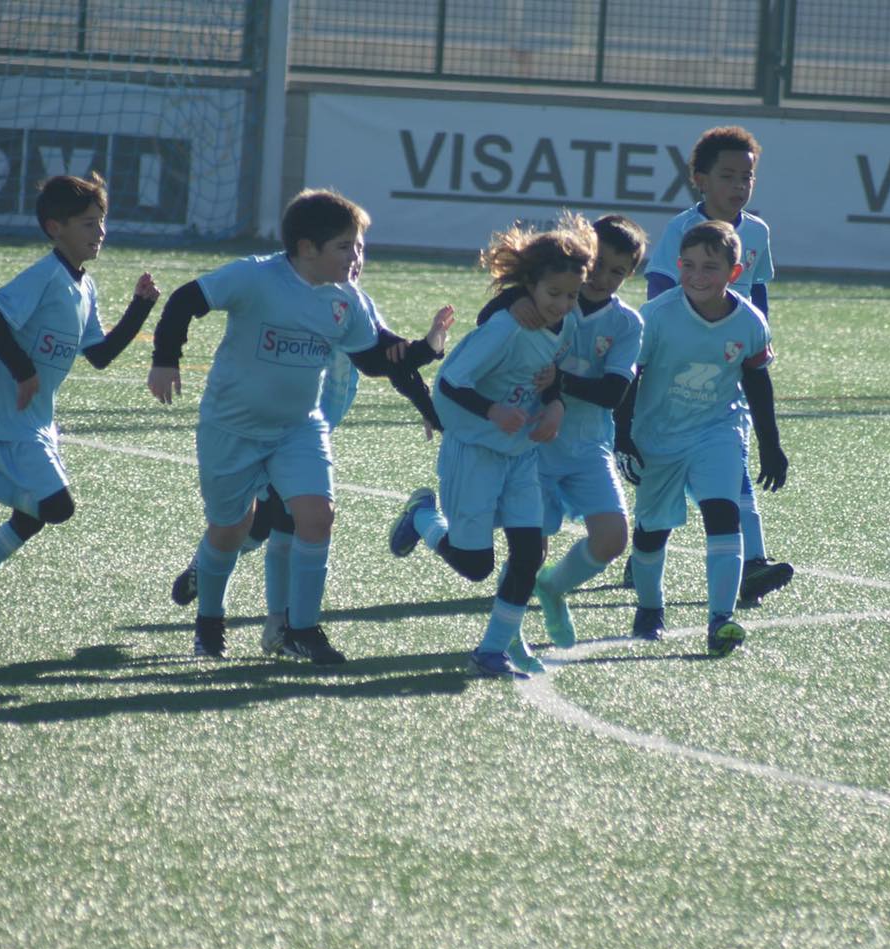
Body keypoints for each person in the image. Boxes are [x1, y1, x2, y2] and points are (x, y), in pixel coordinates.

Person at [148, 188, 450, 664]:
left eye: (357, 246)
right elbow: (187, 299)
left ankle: (301, 630)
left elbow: (373, 358)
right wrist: (165, 360)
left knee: (317, 516)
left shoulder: (345, 301)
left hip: (299, 428)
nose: (355, 258)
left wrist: (428, 348)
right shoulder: (255, 277)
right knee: (231, 530)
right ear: (307, 248)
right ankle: (209, 623)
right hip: (232, 427)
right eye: (345, 247)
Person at [0, 173, 157, 622]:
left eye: (101, 221)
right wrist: (23, 371)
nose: (99, 232)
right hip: (9, 417)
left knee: (29, 520)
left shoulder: (83, 286)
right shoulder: (45, 275)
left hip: (38, 420)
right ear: (55, 228)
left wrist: (140, 307)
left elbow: (100, 355)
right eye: (88, 223)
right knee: (57, 507)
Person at [388, 213, 594, 679]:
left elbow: (548, 376)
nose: (563, 304)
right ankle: (423, 516)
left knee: (529, 552)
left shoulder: (565, 324)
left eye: (572, 295)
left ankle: (491, 651)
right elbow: (449, 385)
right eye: (553, 294)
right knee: (475, 565)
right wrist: (493, 412)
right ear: (529, 286)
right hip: (475, 451)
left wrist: (555, 403)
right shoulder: (505, 326)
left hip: (520, 455)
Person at [472, 215, 647, 673]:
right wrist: (511, 306)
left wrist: (560, 382)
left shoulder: (627, 324)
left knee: (612, 538)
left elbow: (613, 393)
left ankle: (553, 588)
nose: (605, 279)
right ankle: (508, 638)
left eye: (618, 272)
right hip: (533, 443)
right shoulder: (549, 302)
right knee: (527, 550)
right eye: (600, 267)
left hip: (589, 445)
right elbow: (487, 324)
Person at [615, 220, 788, 656]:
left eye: (710, 267)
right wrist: (622, 436)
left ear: (733, 273)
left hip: (719, 430)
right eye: (688, 265)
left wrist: (771, 444)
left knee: (722, 515)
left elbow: (757, 382)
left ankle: (720, 618)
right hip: (658, 434)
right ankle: (651, 607)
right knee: (652, 532)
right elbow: (628, 378)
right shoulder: (654, 316)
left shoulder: (749, 322)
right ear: (677, 267)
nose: (696, 276)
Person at [636, 125, 791, 605]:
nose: (740, 186)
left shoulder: (758, 232)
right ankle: (643, 545)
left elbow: (758, 291)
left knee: (730, 453)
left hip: (729, 364)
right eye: (728, 176)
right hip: (679, 364)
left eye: (747, 176)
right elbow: (660, 288)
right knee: (662, 465)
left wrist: (755, 337)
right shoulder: (683, 230)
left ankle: (752, 562)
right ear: (700, 179)